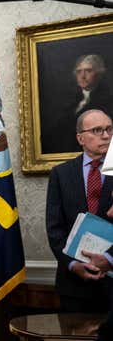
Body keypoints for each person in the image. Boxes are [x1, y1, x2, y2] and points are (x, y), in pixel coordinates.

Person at [46, 109, 113, 315]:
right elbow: (54, 228)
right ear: (80, 138)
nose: (106, 135)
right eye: (97, 130)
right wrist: (73, 264)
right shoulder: (61, 173)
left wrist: (109, 261)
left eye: (109, 129)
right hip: (73, 286)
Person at [45, 54, 113, 153]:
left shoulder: (108, 101)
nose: (83, 76)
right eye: (79, 71)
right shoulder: (70, 101)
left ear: (99, 74)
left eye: (88, 71)